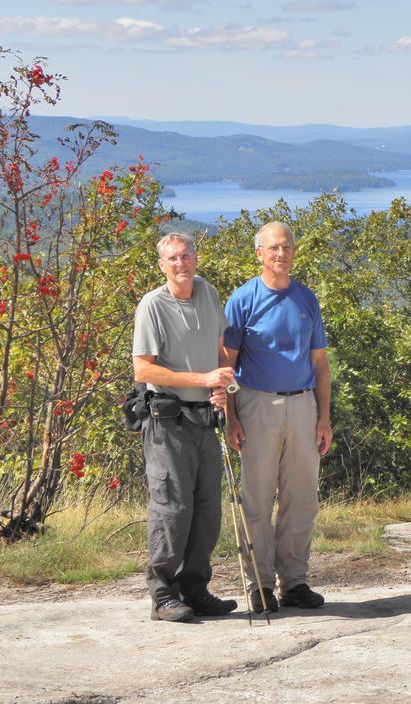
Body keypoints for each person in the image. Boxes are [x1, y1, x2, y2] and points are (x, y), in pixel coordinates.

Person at [223, 221, 332, 612]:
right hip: (256, 404)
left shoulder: (307, 299)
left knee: (302, 496)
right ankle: (260, 584)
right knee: (256, 496)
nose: (280, 254)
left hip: (303, 404)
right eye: (273, 248)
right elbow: (227, 365)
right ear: (259, 254)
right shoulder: (242, 300)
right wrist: (231, 418)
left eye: (286, 247)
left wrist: (324, 419)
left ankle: (296, 582)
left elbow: (320, 364)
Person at [132, 232, 239, 622]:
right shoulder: (152, 305)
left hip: (204, 420)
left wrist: (222, 387)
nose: (181, 264)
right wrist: (203, 379)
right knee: (172, 509)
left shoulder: (208, 293)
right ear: (162, 265)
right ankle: (163, 595)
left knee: (207, 510)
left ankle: (195, 588)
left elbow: (220, 347)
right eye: (172, 259)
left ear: (196, 258)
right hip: (168, 421)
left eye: (186, 256)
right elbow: (142, 368)